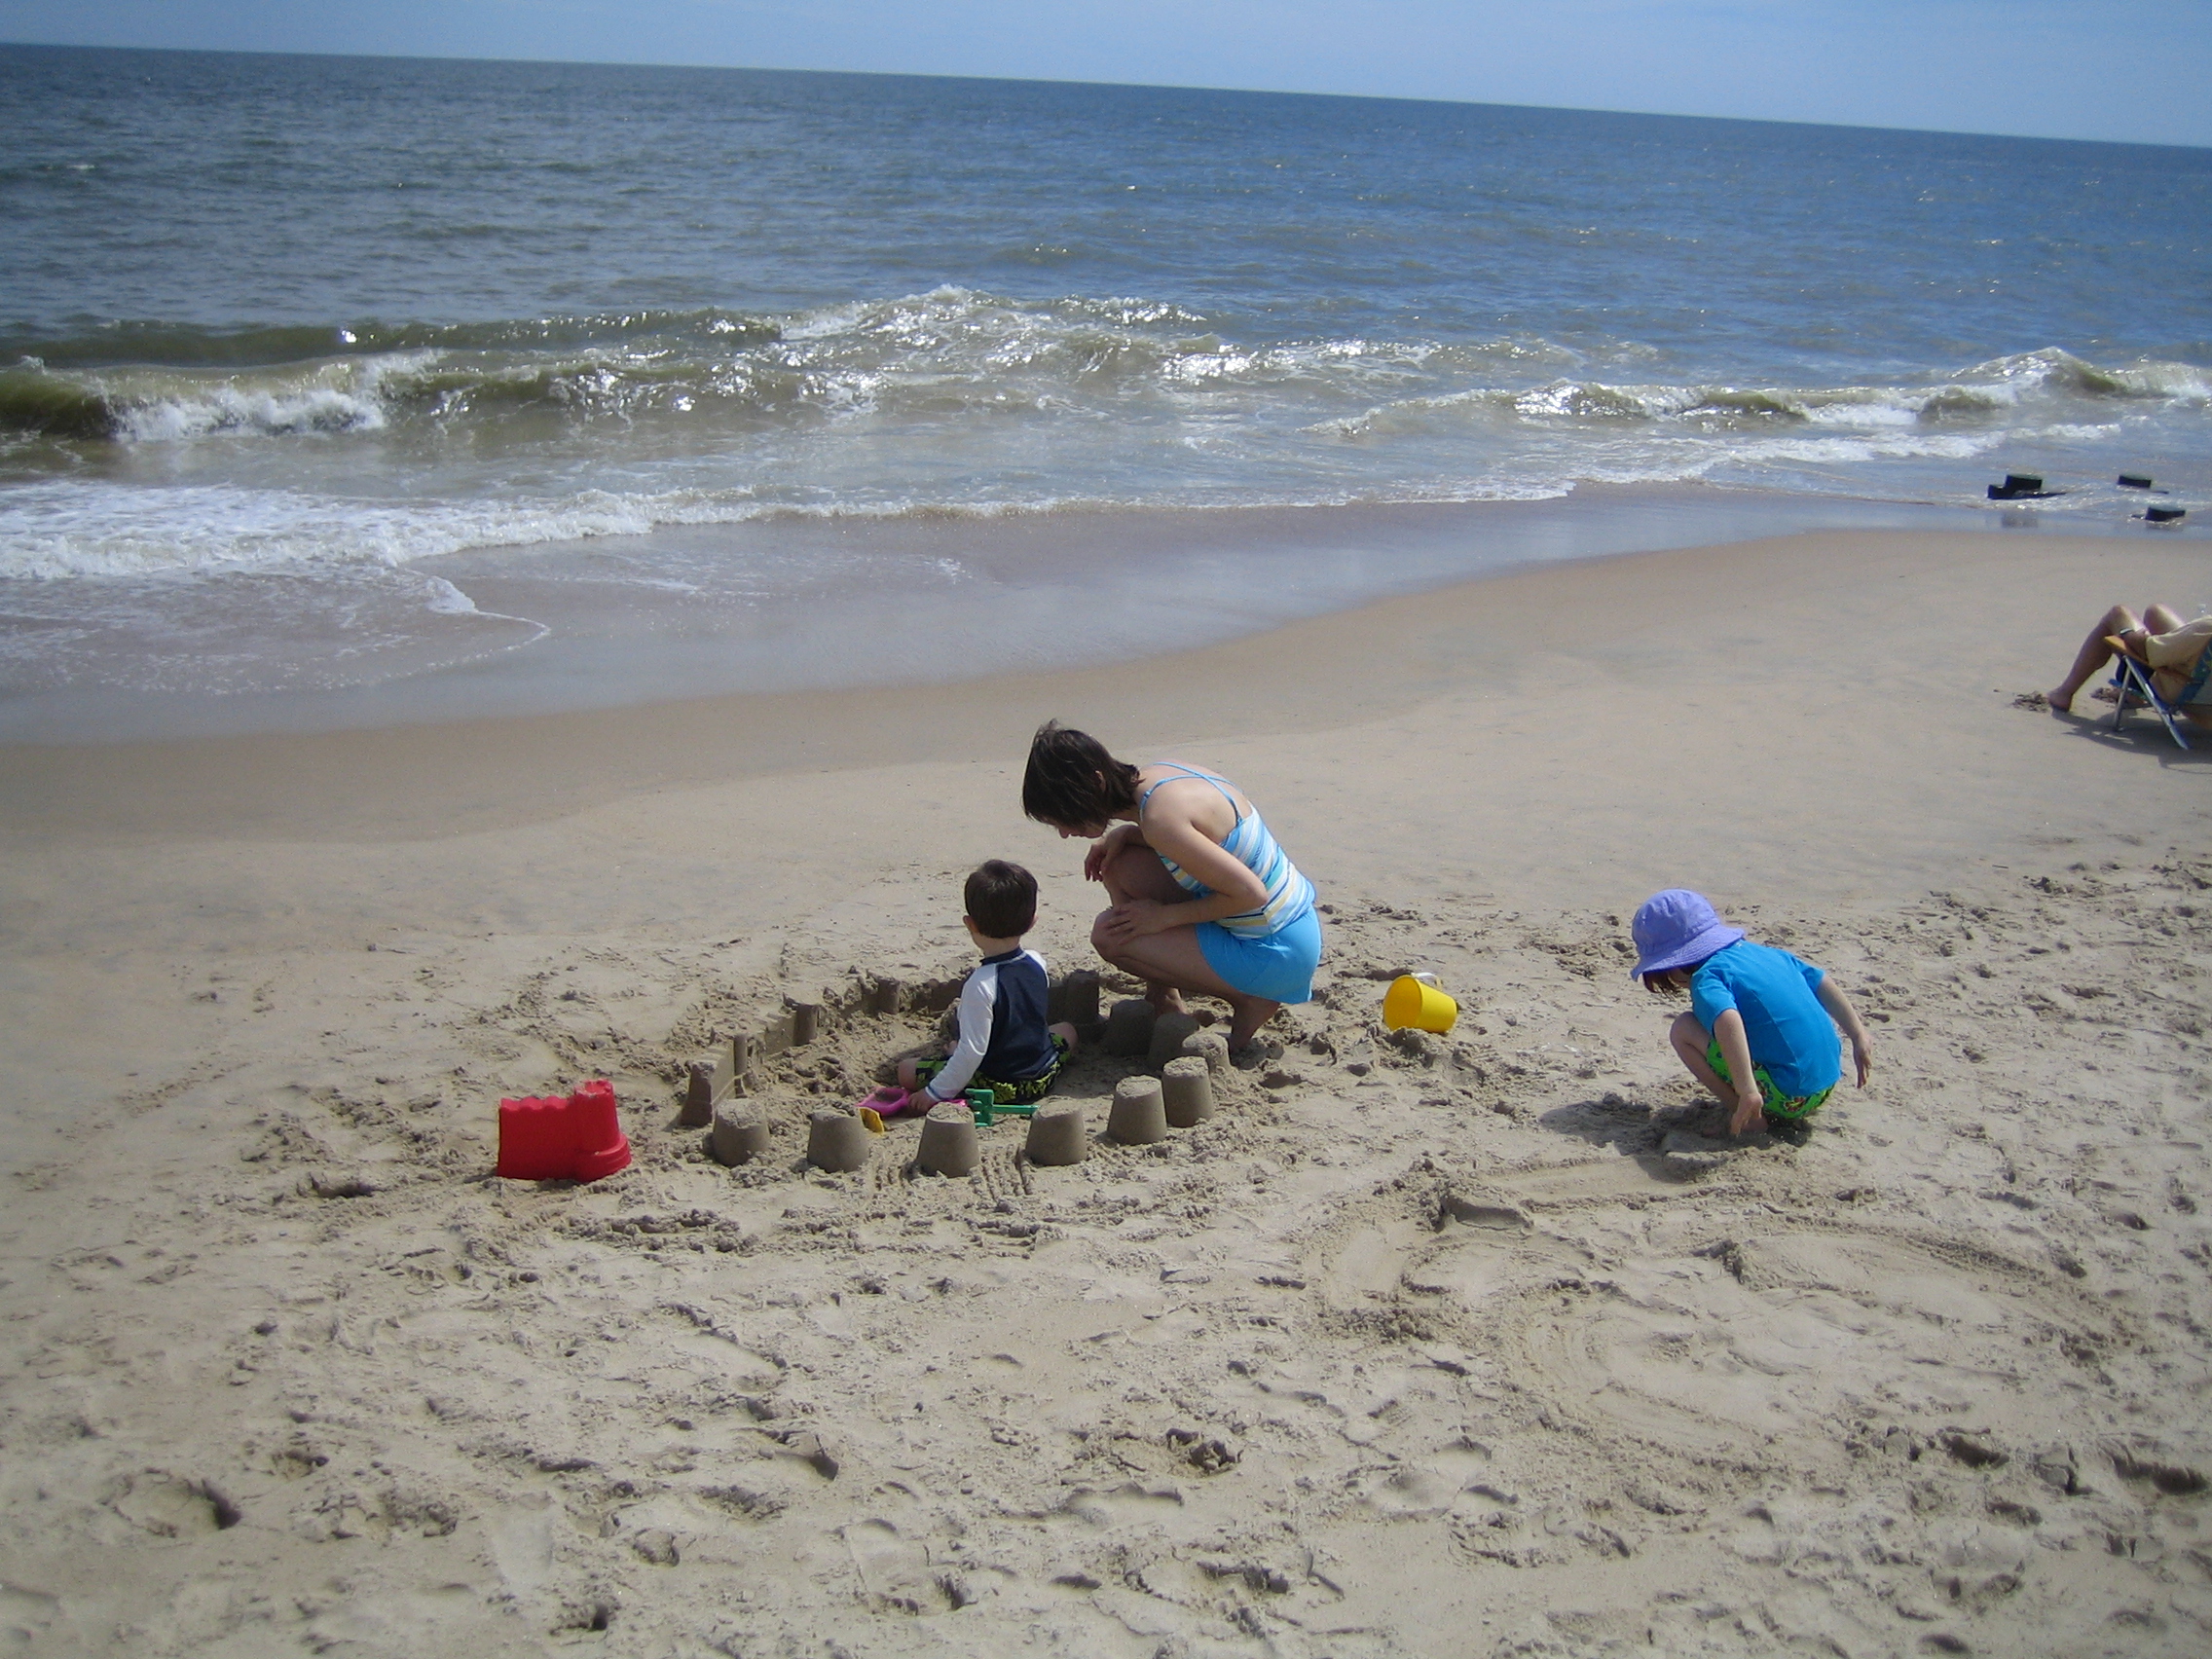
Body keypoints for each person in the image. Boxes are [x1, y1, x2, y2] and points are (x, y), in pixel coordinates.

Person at [1021, 721, 1321, 1052]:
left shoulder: (1159, 820)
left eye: (1063, 817)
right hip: (1293, 922)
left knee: (1110, 935)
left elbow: (1251, 894)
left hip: (1275, 949)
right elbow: (1200, 841)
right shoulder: (1160, 777)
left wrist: (1163, 917)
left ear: (1096, 782)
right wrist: (1124, 834)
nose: (1065, 832)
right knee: (1118, 864)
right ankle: (1163, 995)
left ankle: (1251, 998)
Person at [1628, 889, 1872, 1138]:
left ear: (1672, 964)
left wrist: (1747, 1091)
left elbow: (1727, 1019)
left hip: (1788, 1096)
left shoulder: (1708, 977)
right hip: (1826, 1084)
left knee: (1683, 1029)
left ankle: (1748, 1116)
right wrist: (1858, 1035)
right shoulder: (1767, 954)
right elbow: (1821, 981)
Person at [897, 861, 1076, 1108]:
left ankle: (950, 1074)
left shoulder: (981, 984)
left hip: (1001, 1086)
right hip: (1043, 1074)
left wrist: (934, 1093)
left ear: (970, 924)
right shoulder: (1037, 962)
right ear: (1032, 921)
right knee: (1067, 1030)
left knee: (906, 1070)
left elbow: (972, 1053)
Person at [2046, 603, 2212, 722]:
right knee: (2156, 612)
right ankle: (2131, 696)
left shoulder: (2207, 628)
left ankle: (2064, 693)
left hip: (2185, 693)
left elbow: (2148, 650)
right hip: (2206, 696)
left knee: (2118, 613)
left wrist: (2128, 633)